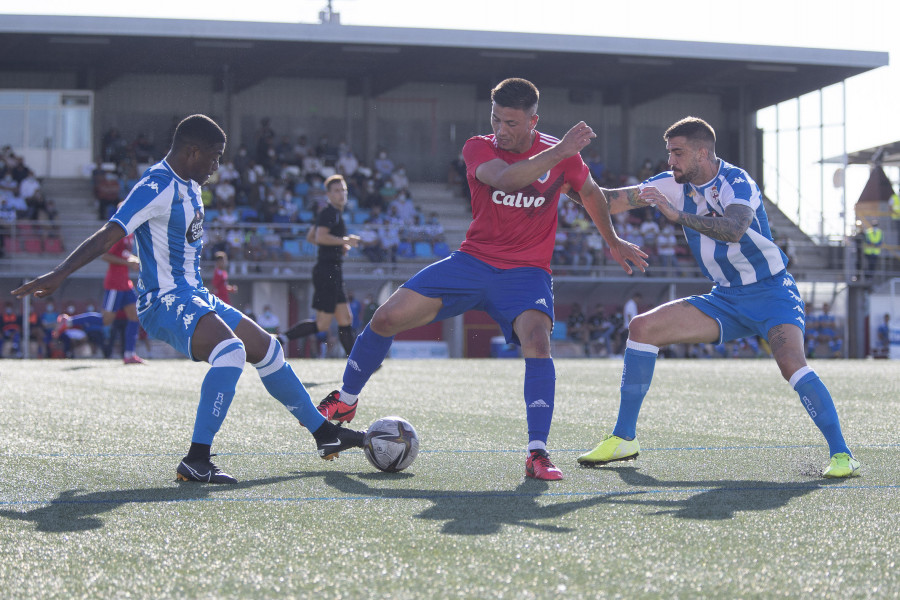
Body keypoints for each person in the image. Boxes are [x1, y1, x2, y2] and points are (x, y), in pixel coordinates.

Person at [312, 78, 647, 480]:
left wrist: (612, 240)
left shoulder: (561, 155)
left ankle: (537, 452)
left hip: (527, 273)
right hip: (472, 262)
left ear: (532, 121)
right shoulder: (480, 147)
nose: (501, 130)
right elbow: (508, 180)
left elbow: (591, 194)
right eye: (496, 119)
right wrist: (561, 151)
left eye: (510, 123)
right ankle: (347, 400)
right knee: (385, 318)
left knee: (538, 342)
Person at [12, 114, 364, 484]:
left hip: (194, 294)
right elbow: (108, 234)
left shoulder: (192, 183)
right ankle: (197, 460)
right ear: (191, 151)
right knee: (231, 351)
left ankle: (325, 434)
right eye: (213, 157)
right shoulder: (156, 185)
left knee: (268, 348)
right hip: (162, 301)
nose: (217, 166)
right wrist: (60, 273)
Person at [577, 116, 859, 478]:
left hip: (771, 292)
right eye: (669, 153)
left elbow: (735, 227)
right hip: (724, 299)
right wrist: (566, 176)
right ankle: (624, 437)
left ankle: (842, 455)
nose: (670, 162)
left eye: (677, 153)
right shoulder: (672, 184)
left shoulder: (736, 181)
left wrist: (676, 215)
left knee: (791, 362)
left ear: (702, 152)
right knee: (642, 328)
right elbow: (609, 201)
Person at [284, 174, 360, 358]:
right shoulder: (329, 213)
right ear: (328, 194)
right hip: (328, 272)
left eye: (344, 190)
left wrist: (338, 246)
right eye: (337, 190)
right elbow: (319, 237)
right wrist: (345, 240)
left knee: (345, 318)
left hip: (332, 270)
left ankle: (357, 364)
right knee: (322, 325)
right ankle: (280, 339)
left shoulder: (330, 212)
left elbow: (312, 236)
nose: (341, 194)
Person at [100, 231, 145, 364]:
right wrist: (128, 263)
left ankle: (129, 354)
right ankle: (69, 322)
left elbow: (122, 254)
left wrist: (133, 259)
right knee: (106, 320)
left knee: (135, 316)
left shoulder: (129, 234)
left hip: (125, 283)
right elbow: (105, 255)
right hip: (115, 283)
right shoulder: (118, 233)